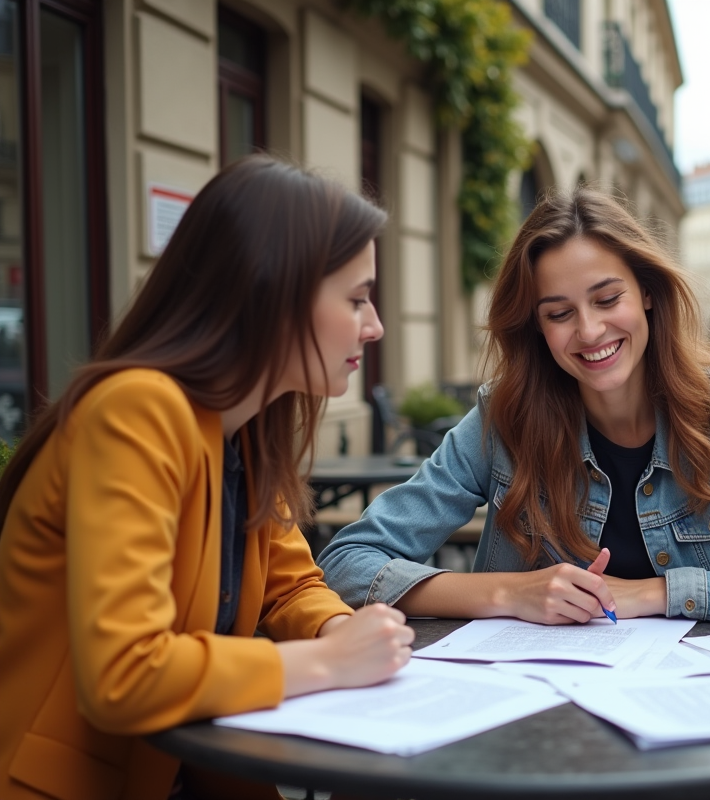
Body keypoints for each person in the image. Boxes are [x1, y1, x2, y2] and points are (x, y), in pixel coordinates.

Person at [0, 156, 415, 800]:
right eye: (357, 298)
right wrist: (331, 662)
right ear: (272, 291)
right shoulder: (137, 411)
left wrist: (340, 629)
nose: (375, 325)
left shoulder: (244, 427)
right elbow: (124, 675)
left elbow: (289, 585)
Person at [319, 187, 710, 625]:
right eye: (559, 313)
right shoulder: (500, 420)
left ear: (647, 292)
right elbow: (347, 562)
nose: (589, 331)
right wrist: (511, 591)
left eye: (608, 299)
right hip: (539, 723)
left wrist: (656, 593)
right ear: (536, 325)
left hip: (696, 715)